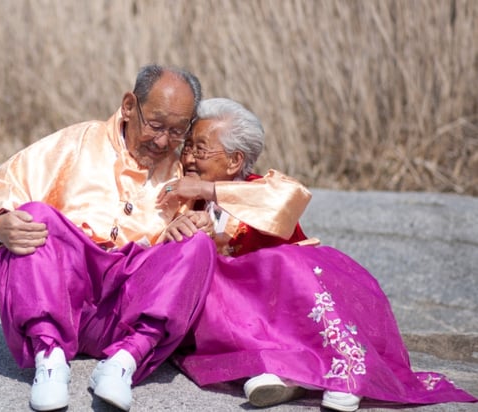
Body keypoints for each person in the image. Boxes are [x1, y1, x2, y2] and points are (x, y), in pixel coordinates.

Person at [156, 98, 477, 411]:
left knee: (286, 262)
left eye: (200, 149)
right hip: (237, 319)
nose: (189, 158)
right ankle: (289, 375)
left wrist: (207, 190)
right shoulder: (185, 200)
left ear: (234, 161)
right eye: (187, 147)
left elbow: (290, 197)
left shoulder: (260, 188)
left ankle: (341, 373)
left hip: (284, 307)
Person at [0, 64, 218, 412]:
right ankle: (49, 357)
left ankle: (124, 362)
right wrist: (0, 225)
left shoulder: (182, 176)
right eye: (155, 125)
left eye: (177, 131)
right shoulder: (77, 142)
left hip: (125, 317)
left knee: (198, 244)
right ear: (129, 106)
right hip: (60, 297)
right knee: (34, 216)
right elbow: (5, 185)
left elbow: (184, 263)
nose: (163, 141)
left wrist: (192, 227)